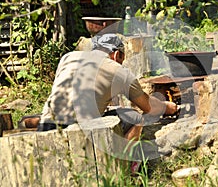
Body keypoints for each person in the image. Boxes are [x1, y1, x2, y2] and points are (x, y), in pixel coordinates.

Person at [37, 33, 178, 143]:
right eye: (122, 60)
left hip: (46, 125)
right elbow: (148, 107)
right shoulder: (119, 71)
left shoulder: (68, 57)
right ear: (117, 55)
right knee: (136, 118)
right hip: (79, 132)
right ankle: (126, 167)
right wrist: (167, 107)